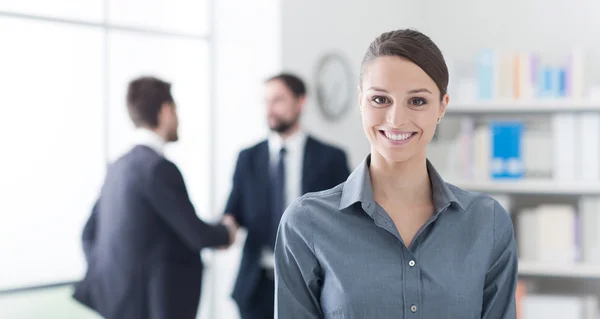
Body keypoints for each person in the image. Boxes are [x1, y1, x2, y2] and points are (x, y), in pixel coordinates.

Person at [274, 29, 518, 318]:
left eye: (417, 101)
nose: (396, 119)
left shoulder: (487, 223)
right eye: (380, 100)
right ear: (360, 101)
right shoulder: (306, 223)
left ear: (442, 107)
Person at [72, 76, 237, 319]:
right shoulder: (157, 168)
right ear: (166, 110)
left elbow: (88, 233)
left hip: (118, 306)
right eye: (176, 110)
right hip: (151, 307)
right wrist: (227, 231)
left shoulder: (118, 167)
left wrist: (114, 276)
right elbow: (195, 234)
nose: (178, 119)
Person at [223, 73, 351, 319]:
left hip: (312, 282)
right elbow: (233, 211)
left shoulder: (330, 158)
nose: (270, 109)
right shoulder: (248, 157)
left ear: (300, 102)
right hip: (256, 285)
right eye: (266, 101)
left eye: (278, 100)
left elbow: (346, 218)